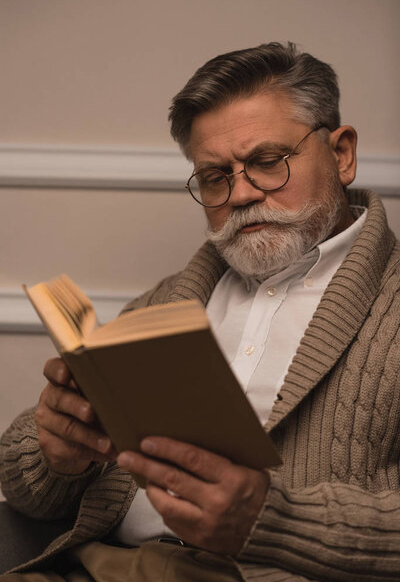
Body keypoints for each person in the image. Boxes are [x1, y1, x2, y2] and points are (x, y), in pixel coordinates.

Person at [1, 42, 400, 582]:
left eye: (266, 162)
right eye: (215, 176)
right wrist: (55, 454)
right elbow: (27, 493)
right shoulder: (170, 300)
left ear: (342, 154)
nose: (239, 193)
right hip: (94, 566)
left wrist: (273, 521)